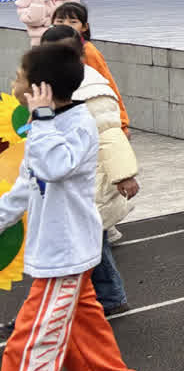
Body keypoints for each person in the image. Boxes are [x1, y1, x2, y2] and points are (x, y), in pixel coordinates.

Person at [0, 42, 150, 371]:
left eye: (20, 78)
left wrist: (41, 120)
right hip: (58, 253)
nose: (14, 84)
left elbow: (54, 166)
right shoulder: (44, 126)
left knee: (28, 349)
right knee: (84, 331)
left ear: (42, 90)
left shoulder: (74, 124)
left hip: (65, 258)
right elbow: (26, 187)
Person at [41, 25, 138, 316]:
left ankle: (108, 297)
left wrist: (123, 174)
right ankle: (104, 296)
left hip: (90, 177)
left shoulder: (91, 89)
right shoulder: (51, 84)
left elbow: (109, 133)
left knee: (91, 241)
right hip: (67, 175)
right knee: (91, 241)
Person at [52, 1, 129, 134]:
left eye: (73, 22)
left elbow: (107, 84)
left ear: (84, 27)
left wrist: (122, 122)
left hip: (89, 117)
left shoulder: (87, 51)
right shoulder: (49, 49)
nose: (66, 25)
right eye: (60, 21)